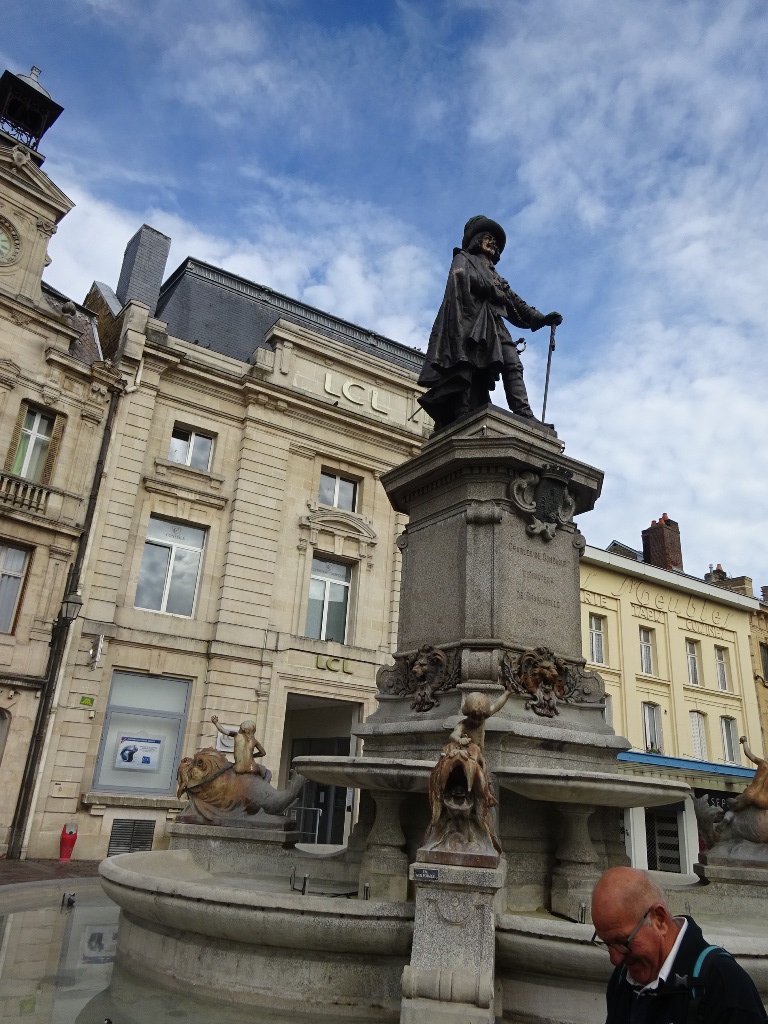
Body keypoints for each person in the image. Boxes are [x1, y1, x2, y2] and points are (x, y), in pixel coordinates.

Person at [417, 214, 562, 431]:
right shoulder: (464, 258)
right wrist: (489, 289)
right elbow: (459, 278)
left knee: (513, 362)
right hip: (467, 322)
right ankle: (462, 412)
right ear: (476, 240)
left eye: (495, 241)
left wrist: (541, 318)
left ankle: (524, 413)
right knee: (466, 365)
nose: (493, 243)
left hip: (494, 324)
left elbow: (515, 303)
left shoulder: (497, 275)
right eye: (488, 238)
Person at [591, 866, 767, 1023]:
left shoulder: (723, 983)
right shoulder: (622, 978)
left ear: (659, 919)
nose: (615, 958)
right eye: (607, 943)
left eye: (622, 942)